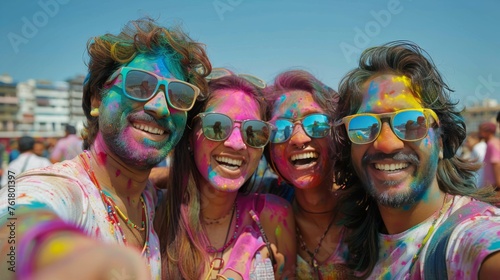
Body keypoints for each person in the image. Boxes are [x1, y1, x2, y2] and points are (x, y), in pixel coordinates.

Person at [0, 18, 211, 279]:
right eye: (138, 85)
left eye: (178, 95)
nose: (160, 106)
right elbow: (14, 224)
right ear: (96, 98)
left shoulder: (148, 199)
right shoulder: (63, 191)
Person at [334, 41, 500, 279]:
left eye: (411, 123)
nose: (386, 143)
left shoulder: (470, 237)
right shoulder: (355, 244)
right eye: (364, 126)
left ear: (441, 142)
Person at [156, 70, 295, 279]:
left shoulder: (272, 217)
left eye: (254, 132)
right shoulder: (155, 214)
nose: (237, 144)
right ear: (190, 136)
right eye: (216, 126)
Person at [264, 70, 348, 278]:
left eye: (316, 124)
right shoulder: (266, 202)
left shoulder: (371, 210)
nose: (298, 139)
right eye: (280, 128)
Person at [479, 121, 500, 188]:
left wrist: (498, 186)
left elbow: (496, 163)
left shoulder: (492, 144)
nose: (480, 134)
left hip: (495, 187)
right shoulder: (494, 142)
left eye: (481, 131)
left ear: (488, 132)